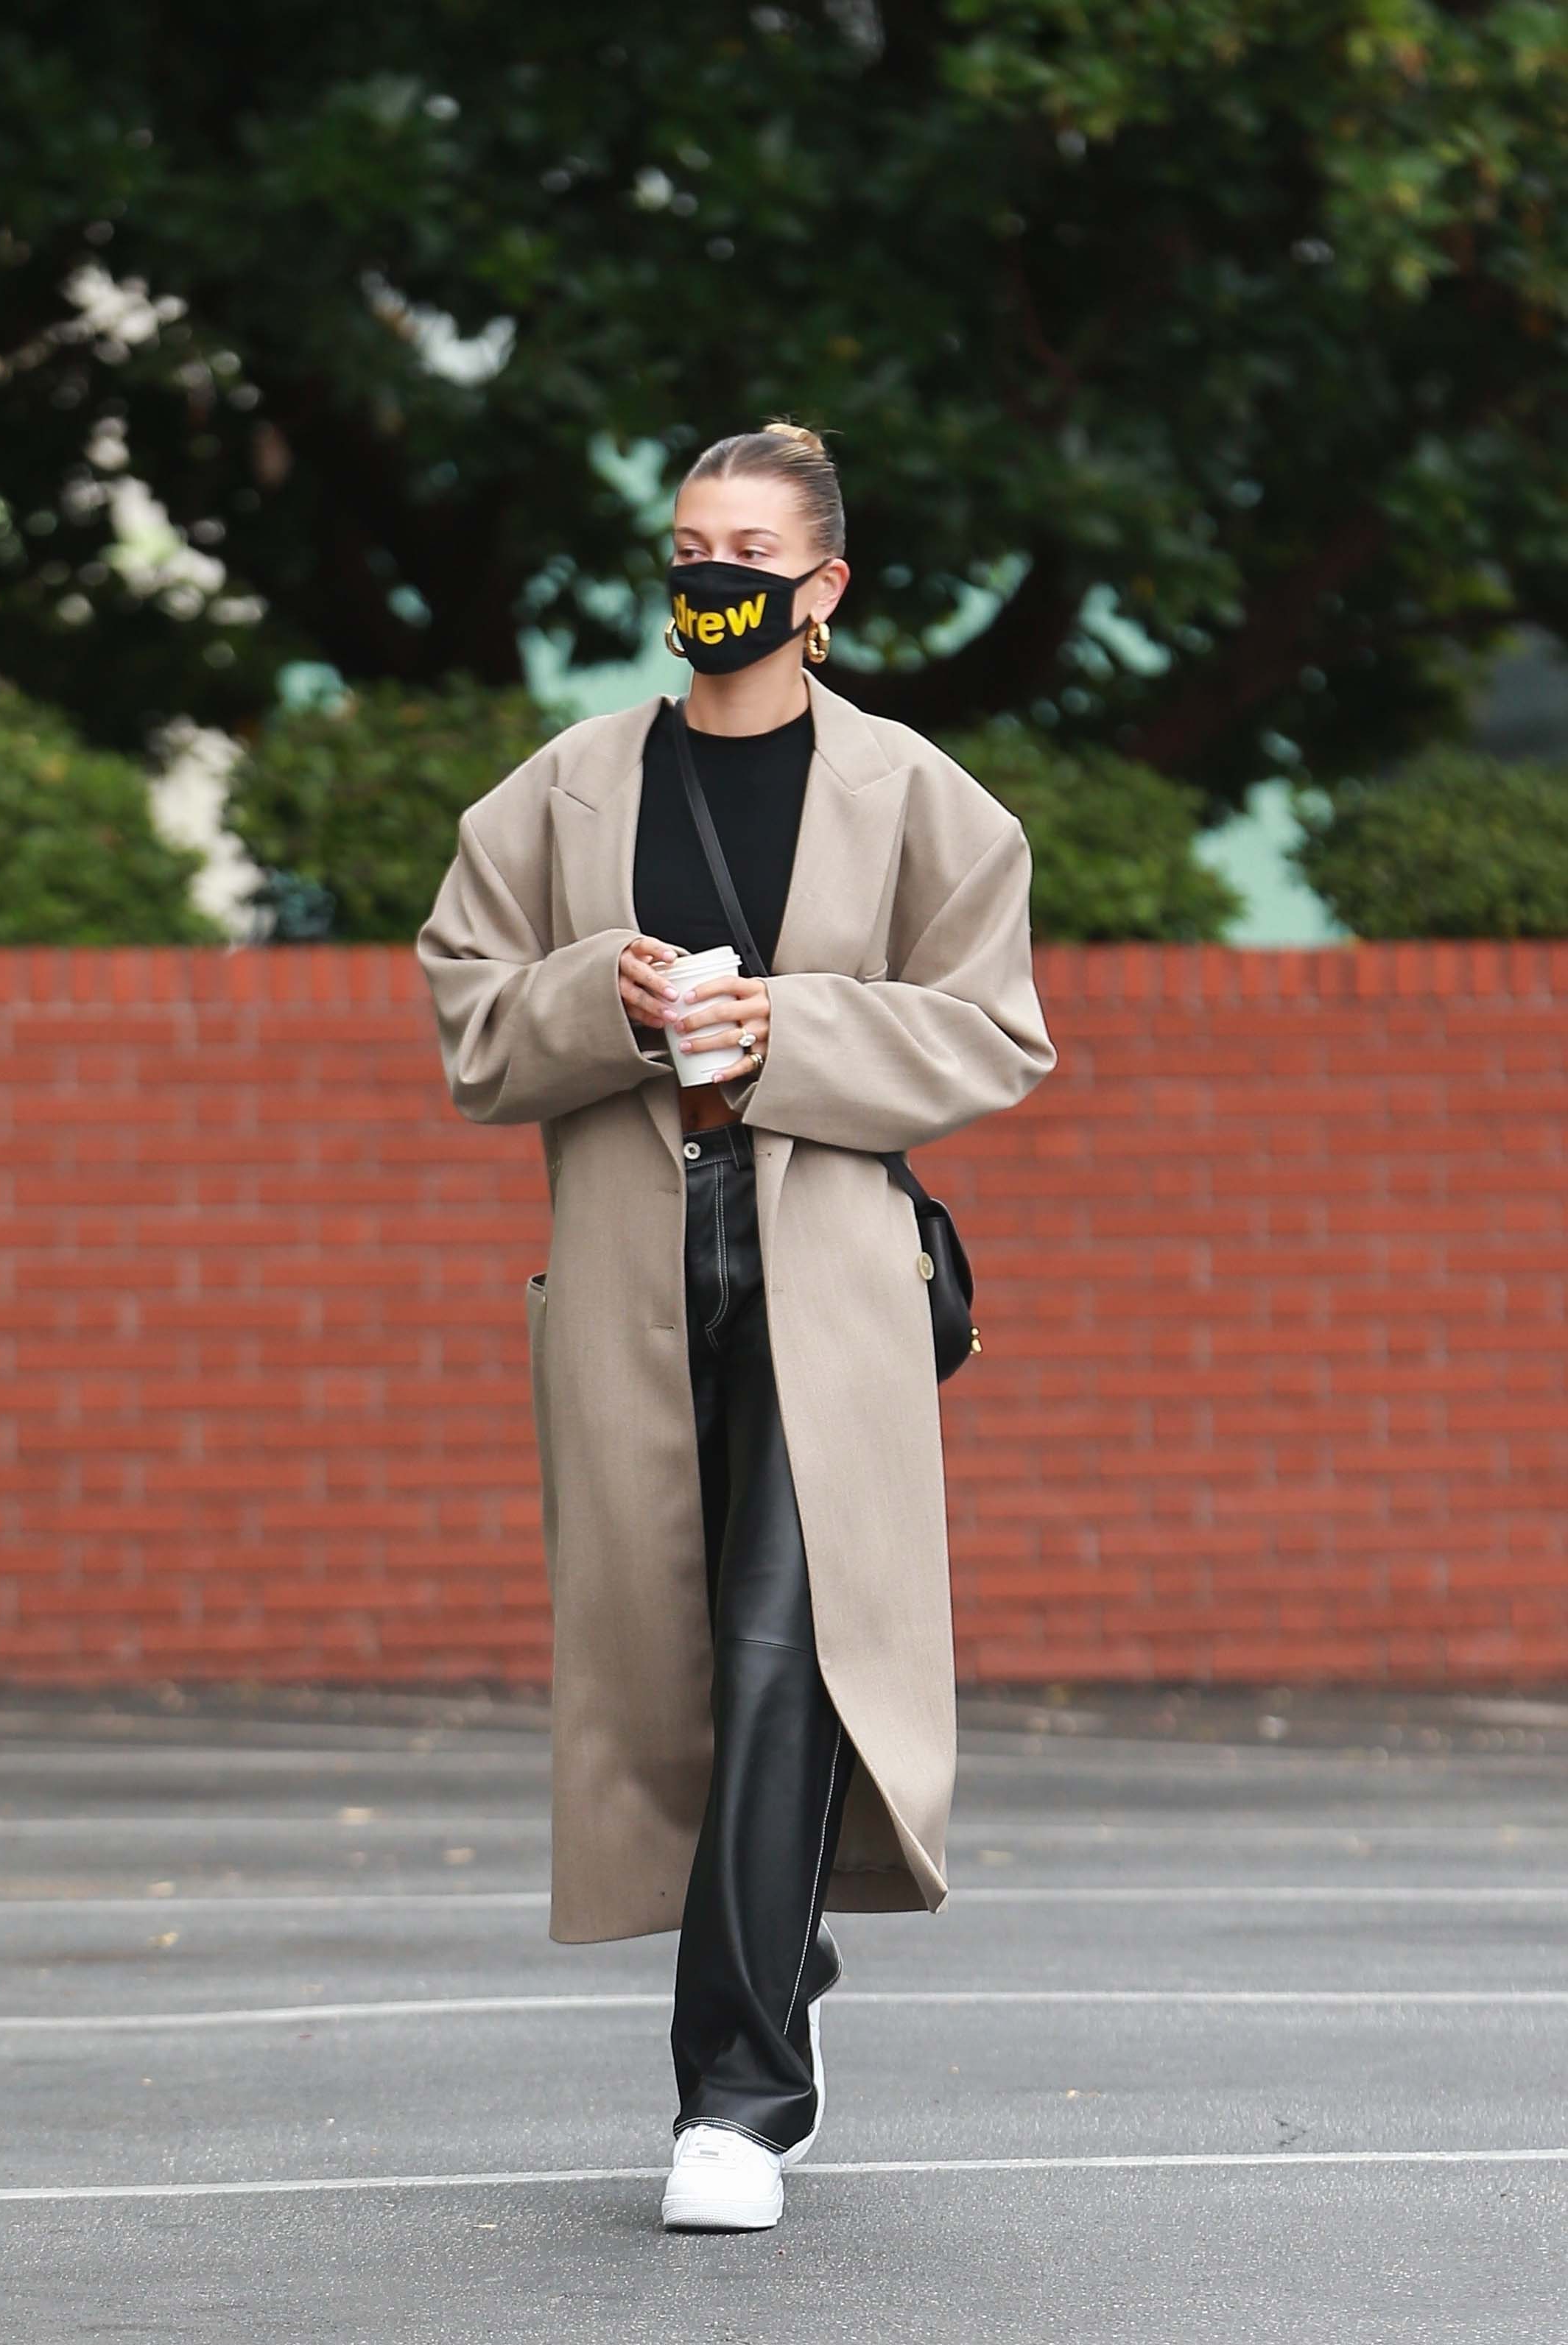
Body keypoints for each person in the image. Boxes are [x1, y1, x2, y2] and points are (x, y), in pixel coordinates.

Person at [415, 418, 1058, 2235]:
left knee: (790, 1647)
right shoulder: (559, 792)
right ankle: (788, 1979)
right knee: (679, 1667)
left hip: (830, 1287)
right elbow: (467, 1017)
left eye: (748, 552)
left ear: (821, 588)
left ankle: (734, 2099)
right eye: (689, 545)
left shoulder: (921, 798)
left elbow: (995, 1032)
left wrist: (793, 1030)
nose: (711, 579)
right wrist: (589, 997)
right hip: (631, 1273)